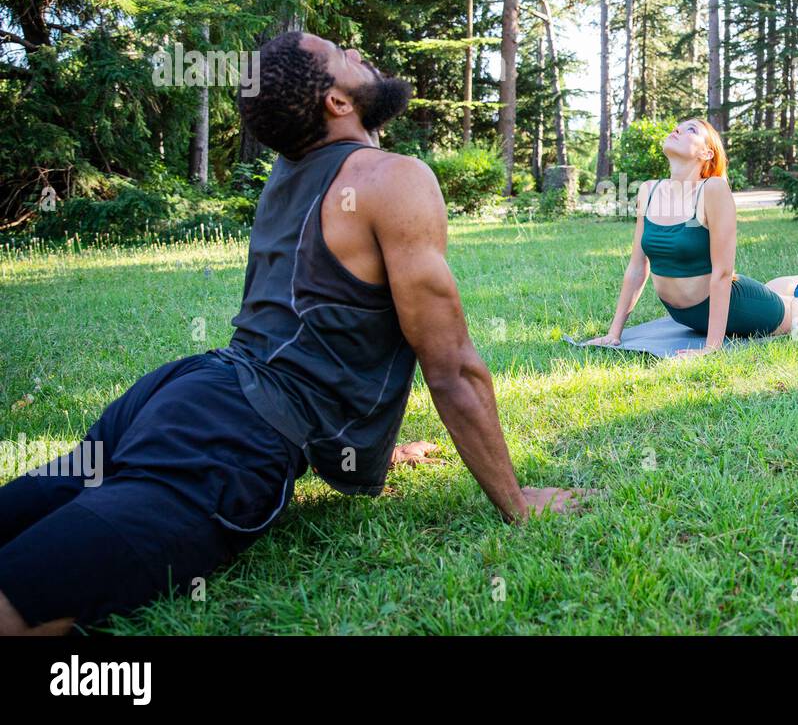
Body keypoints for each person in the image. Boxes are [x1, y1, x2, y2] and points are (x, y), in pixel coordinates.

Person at [0, 31, 584, 635]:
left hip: (179, 395)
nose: (360, 52)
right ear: (336, 102)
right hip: (226, 434)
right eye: (343, 56)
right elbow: (452, 366)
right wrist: (517, 499)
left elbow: (319, 325)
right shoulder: (394, 179)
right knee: (24, 603)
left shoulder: (291, 169)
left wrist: (362, 446)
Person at [587, 118, 798, 358]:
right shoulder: (649, 189)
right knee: (775, 293)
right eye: (679, 125)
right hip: (685, 315)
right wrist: (614, 333)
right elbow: (636, 268)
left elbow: (723, 274)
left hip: (732, 305)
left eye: (691, 130)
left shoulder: (712, 190)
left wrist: (712, 347)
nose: (677, 129)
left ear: (706, 155)